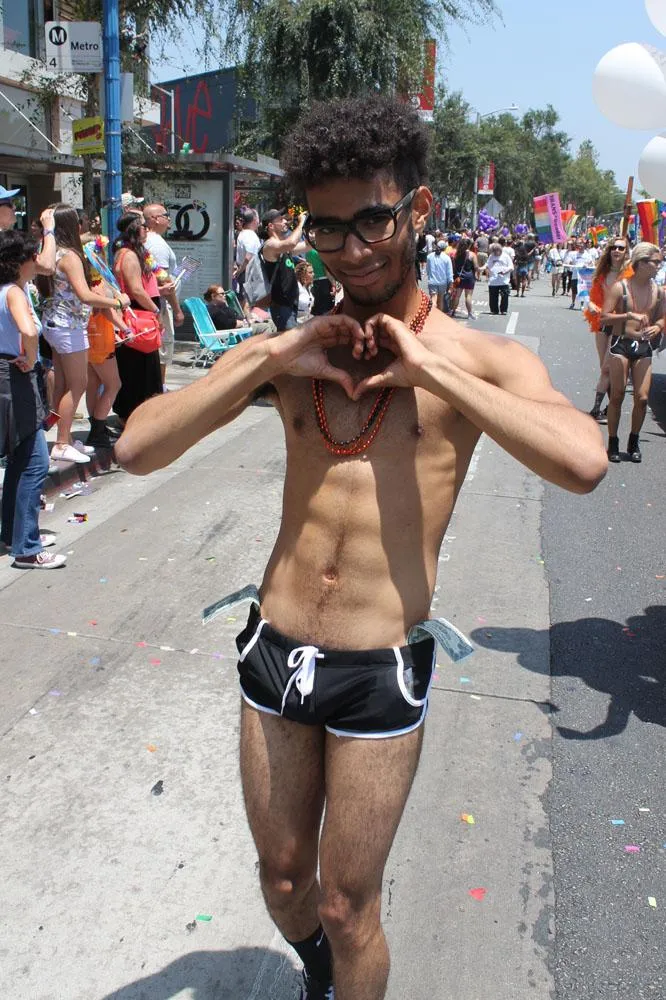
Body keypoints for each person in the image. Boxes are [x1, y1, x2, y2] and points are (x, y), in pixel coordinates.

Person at [115, 95, 607, 1000]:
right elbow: (136, 449)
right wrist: (275, 359)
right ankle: (319, 971)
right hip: (275, 650)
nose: (352, 250)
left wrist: (431, 370)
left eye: (373, 221)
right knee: (285, 884)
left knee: (349, 907)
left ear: (417, 209)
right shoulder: (294, 352)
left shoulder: (475, 359)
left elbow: (582, 462)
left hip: (378, 666)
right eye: (329, 230)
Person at [36, 204, 129, 464]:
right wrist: (118, 302)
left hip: (54, 324)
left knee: (63, 385)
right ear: (72, 225)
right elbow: (85, 295)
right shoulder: (70, 256)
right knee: (77, 385)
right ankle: (61, 443)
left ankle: (63, 438)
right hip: (69, 327)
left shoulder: (51, 250)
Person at [0, 230, 66, 568]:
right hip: (16, 376)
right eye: (32, 256)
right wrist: (29, 357)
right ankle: (26, 547)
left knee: (19, 459)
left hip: (6, 375)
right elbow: (28, 330)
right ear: (20, 262)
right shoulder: (13, 292)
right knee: (34, 461)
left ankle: (13, 535)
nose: (37, 262)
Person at [602, 242, 664, 463]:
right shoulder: (621, 287)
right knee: (617, 395)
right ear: (642, 262)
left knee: (643, 398)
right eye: (655, 262)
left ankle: (633, 441)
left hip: (643, 346)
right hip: (621, 344)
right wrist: (628, 315)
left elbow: (662, 317)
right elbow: (604, 317)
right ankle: (613, 442)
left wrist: (658, 326)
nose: (659, 265)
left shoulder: (658, 291)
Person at [112, 214, 163, 424]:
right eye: (144, 226)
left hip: (135, 314)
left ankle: (133, 414)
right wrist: (156, 311)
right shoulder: (129, 255)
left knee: (135, 367)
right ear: (134, 229)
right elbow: (136, 290)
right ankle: (136, 415)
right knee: (140, 369)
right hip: (139, 316)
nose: (147, 230)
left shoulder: (125, 253)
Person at [584, 238, 631, 419]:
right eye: (613, 247)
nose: (616, 250)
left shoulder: (630, 274)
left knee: (607, 368)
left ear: (626, 252)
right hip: (601, 323)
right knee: (605, 368)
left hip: (619, 324)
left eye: (621, 248)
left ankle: (597, 409)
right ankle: (610, 408)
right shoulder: (602, 272)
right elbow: (592, 297)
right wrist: (591, 305)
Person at [143, 203, 185, 388]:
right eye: (165, 215)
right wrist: (177, 309)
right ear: (154, 219)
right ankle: (158, 389)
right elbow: (162, 280)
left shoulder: (150, 241)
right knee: (162, 351)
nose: (169, 219)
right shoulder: (157, 244)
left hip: (154, 305)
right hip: (159, 307)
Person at [262, 208, 309, 331]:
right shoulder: (270, 245)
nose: (285, 222)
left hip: (290, 303)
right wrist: (301, 223)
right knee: (288, 339)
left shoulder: (283, 248)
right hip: (281, 305)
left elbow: (307, 246)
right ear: (271, 226)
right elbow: (291, 243)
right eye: (280, 219)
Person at [234, 209, 261, 316]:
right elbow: (248, 257)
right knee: (246, 301)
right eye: (258, 218)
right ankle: (247, 321)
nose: (259, 221)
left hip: (245, 271)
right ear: (254, 219)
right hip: (248, 272)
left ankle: (245, 319)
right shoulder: (250, 235)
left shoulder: (243, 233)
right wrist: (239, 271)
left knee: (245, 299)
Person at [450, 237, 479, 320]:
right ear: (469, 245)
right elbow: (476, 267)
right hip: (469, 277)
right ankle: (470, 314)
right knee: (468, 296)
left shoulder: (456, 253)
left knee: (457, 296)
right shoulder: (472, 254)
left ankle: (453, 311)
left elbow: (453, 265)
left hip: (459, 277)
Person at [425, 239, 453, 313]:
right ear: (445, 248)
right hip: (443, 282)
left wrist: (429, 276)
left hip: (432, 281)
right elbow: (449, 272)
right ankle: (439, 315)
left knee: (433, 299)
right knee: (440, 300)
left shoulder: (429, 256)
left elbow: (427, 269)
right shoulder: (447, 258)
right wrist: (451, 284)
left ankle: (433, 313)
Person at [307, 247, 336, 316]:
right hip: (324, 282)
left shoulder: (308, 252)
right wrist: (334, 284)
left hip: (314, 282)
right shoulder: (320, 251)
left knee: (317, 309)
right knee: (328, 309)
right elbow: (326, 270)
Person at [486, 242, 513, 315]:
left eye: (496, 251)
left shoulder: (506, 256)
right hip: (493, 280)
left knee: (505, 296)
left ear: (500, 250)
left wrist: (504, 271)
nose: (495, 253)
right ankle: (494, 310)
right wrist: (480, 269)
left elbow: (511, 267)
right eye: (493, 251)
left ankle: (503, 310)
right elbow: (487, 265)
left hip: (504, 280)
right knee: (493, 296)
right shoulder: (491, 256)